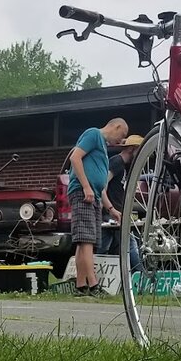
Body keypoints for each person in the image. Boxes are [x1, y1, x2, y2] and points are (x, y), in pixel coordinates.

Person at [66, 118, 128, 296]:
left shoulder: (103, 147)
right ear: (116, 126)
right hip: (83, 193)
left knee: (83, 241)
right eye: (121, 135)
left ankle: (80, 285)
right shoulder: (93, 134)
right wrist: (85, 186)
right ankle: (93, 284)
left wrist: (111, 209)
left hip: (93, 195)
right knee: (87, 240)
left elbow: (100, 186)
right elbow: (75, 157)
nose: (119, 141)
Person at [99, 134, 145, 277]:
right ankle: (141, 276)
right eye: (140, 151)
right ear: (132, 149)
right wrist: (110, 209)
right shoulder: (117, 162)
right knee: (130, 244)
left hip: (116, 212)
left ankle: (100, 279)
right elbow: (102, 186)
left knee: (104, 247)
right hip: (112, 213)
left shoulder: (124, 166)